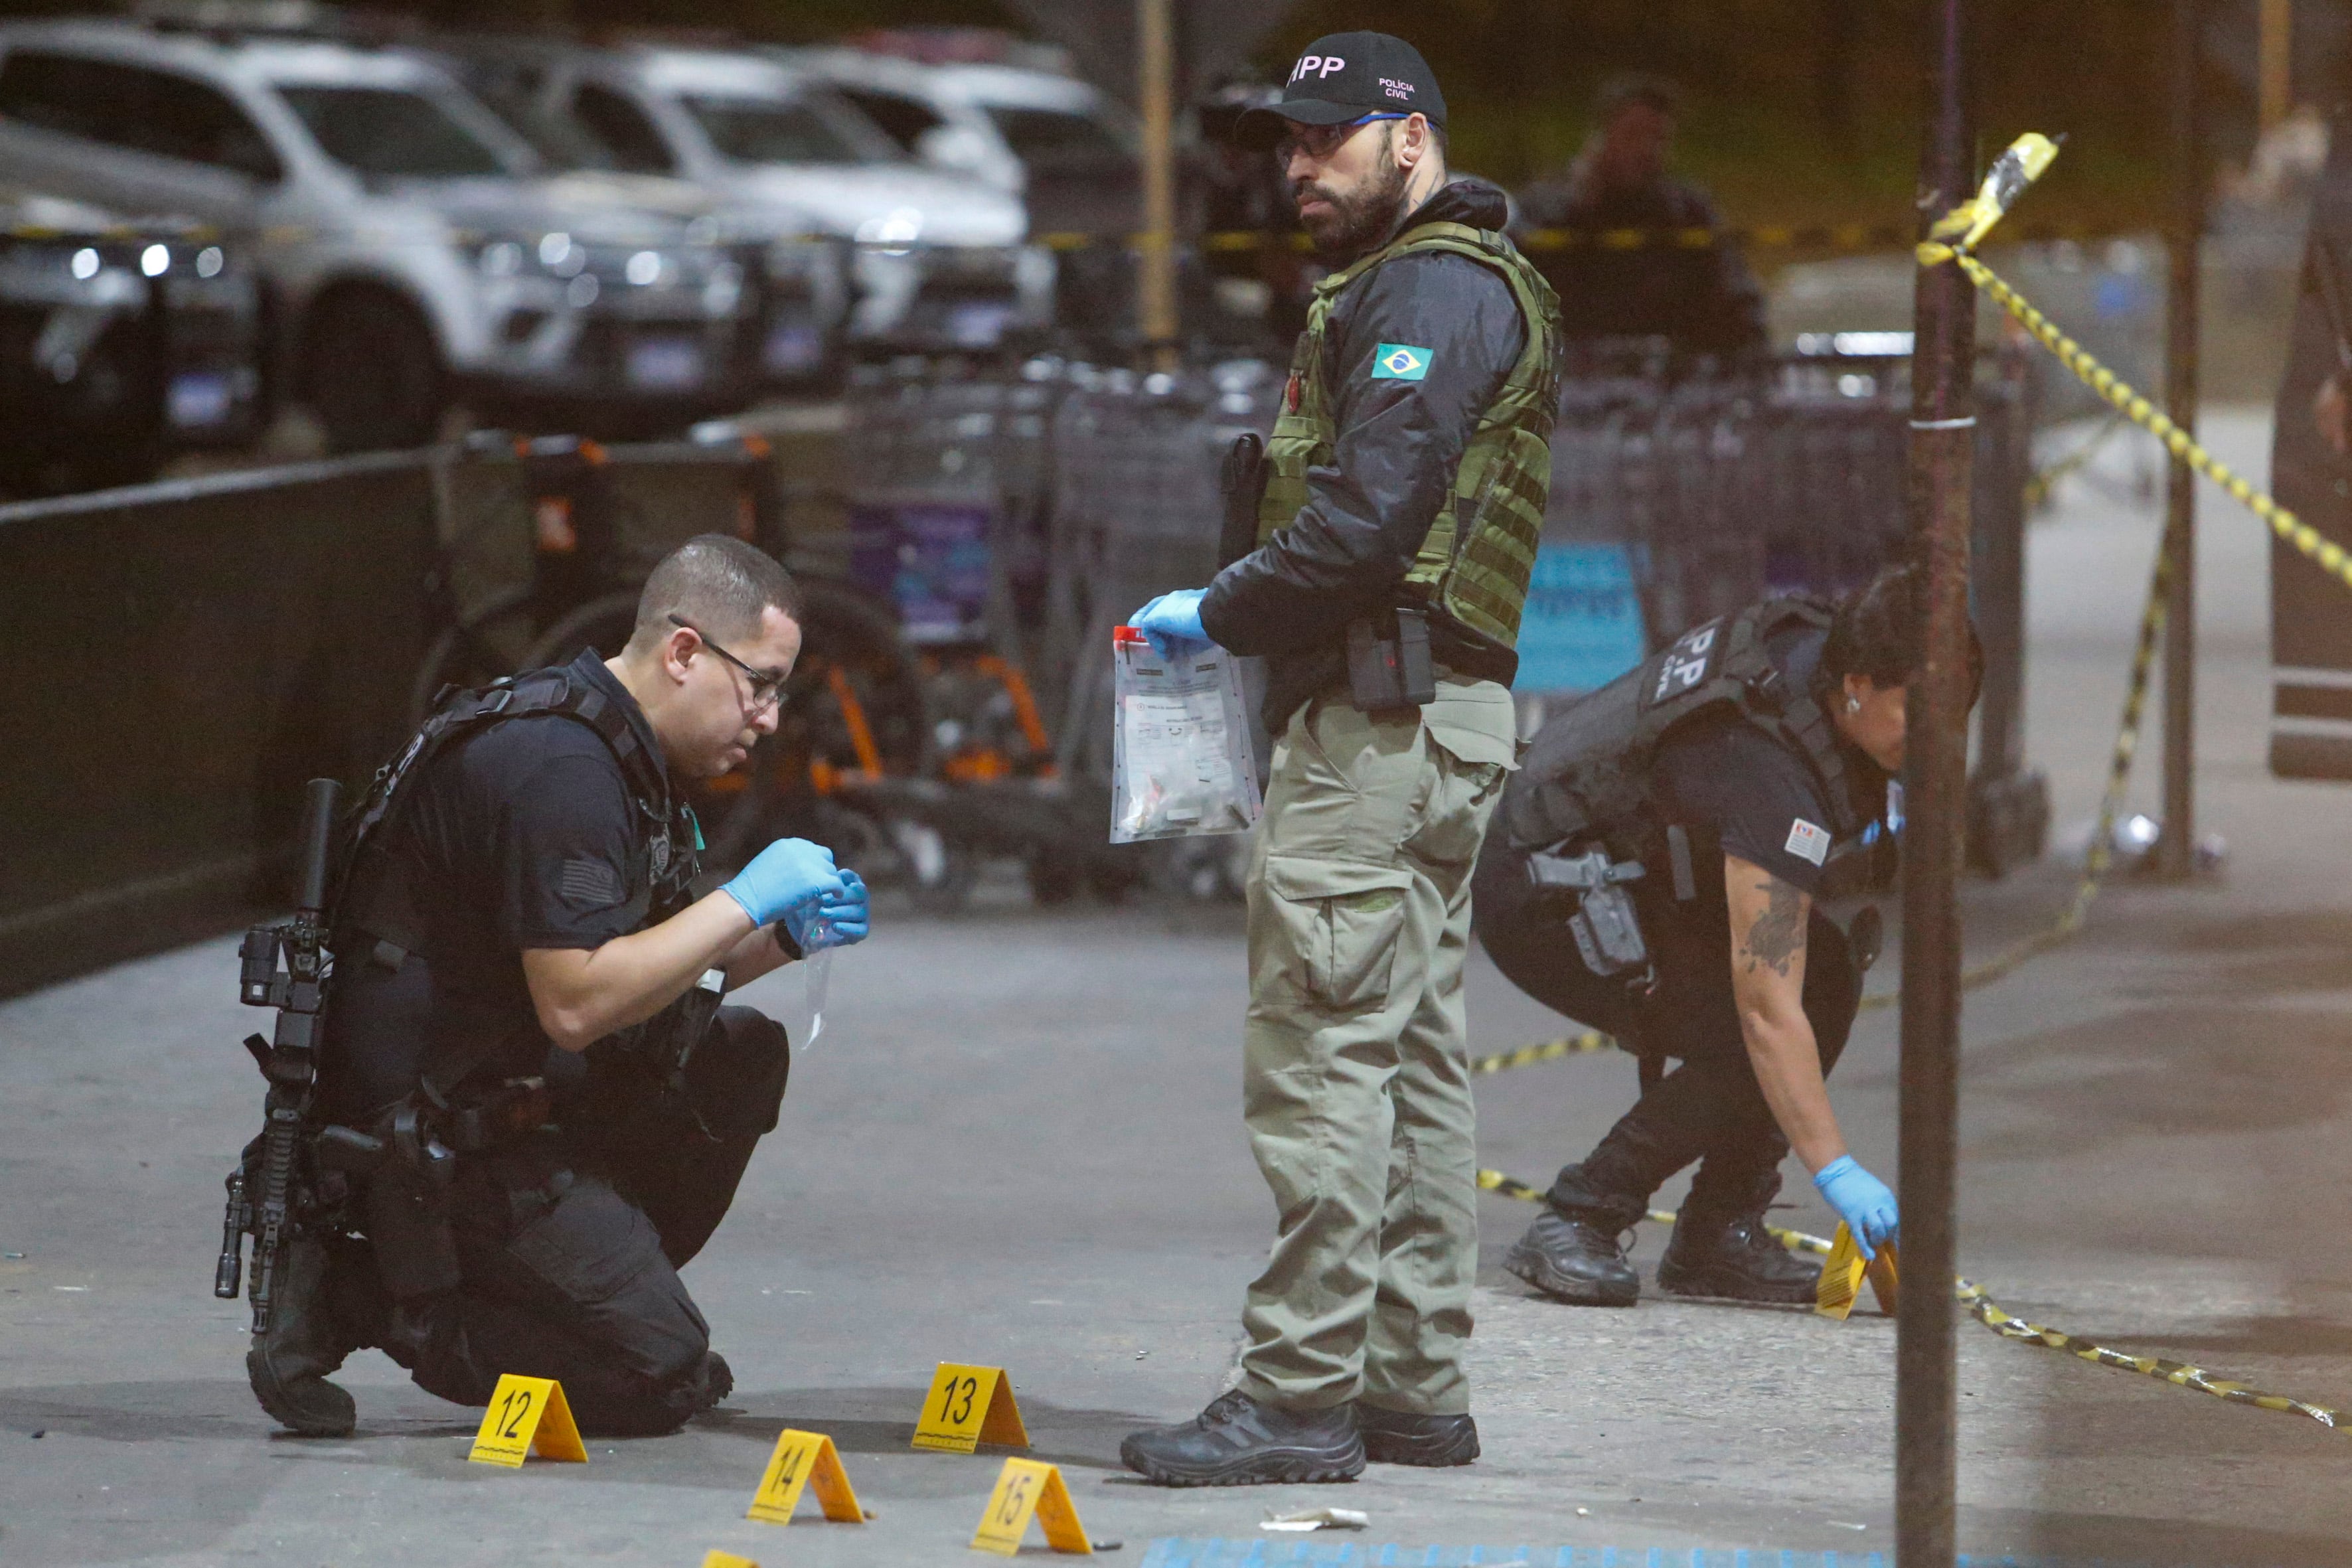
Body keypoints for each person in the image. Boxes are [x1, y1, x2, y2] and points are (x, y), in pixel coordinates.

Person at [1117, 31, 1561, 1486]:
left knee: (1319, 1061)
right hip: (1435, 723)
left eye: (1326, 142)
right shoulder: (1435, 280)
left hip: (1380, 729)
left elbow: (1370, 522)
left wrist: (1223, 609)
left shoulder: (1427, 290)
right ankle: (1408, 1383)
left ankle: (1298, 1393)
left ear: (1411, 140)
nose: (1297, 169)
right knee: (1415, 1060)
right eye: (1286, 145)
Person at [245, 534, 870, 1439]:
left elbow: (644, 962)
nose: (770, 717)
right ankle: (363, 1295)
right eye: (761, 683)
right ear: (685, 650)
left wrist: (772, 937)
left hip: (505, 1079)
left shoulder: (610, 745)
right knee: (653, 1377)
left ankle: (582, 1303)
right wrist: (743, 894)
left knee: (737, 1052)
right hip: (431, 1125)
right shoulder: (564, 767)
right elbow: (577, 1003)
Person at [1472, 566, 1964, 1308]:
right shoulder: (1769, 763)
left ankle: (1717, 1235)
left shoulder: (1825, 660)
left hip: (1631, 870)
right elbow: (1766, 1007)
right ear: (1858, 683)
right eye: (1918, 715)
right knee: (1756, 1025)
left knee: (1824, 974)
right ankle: (1580, 1213)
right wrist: (1836, 1169)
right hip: (1542, 893)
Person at [1514, 74, 1766, 364]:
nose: (1647, 150)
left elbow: (1735, 299)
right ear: (1600, 137)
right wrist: (1578, 206)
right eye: (1633, 135)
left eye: (1658, 138)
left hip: (1667, 376)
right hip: (1573, 373)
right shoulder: (1545, 208)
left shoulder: (1686, 213)